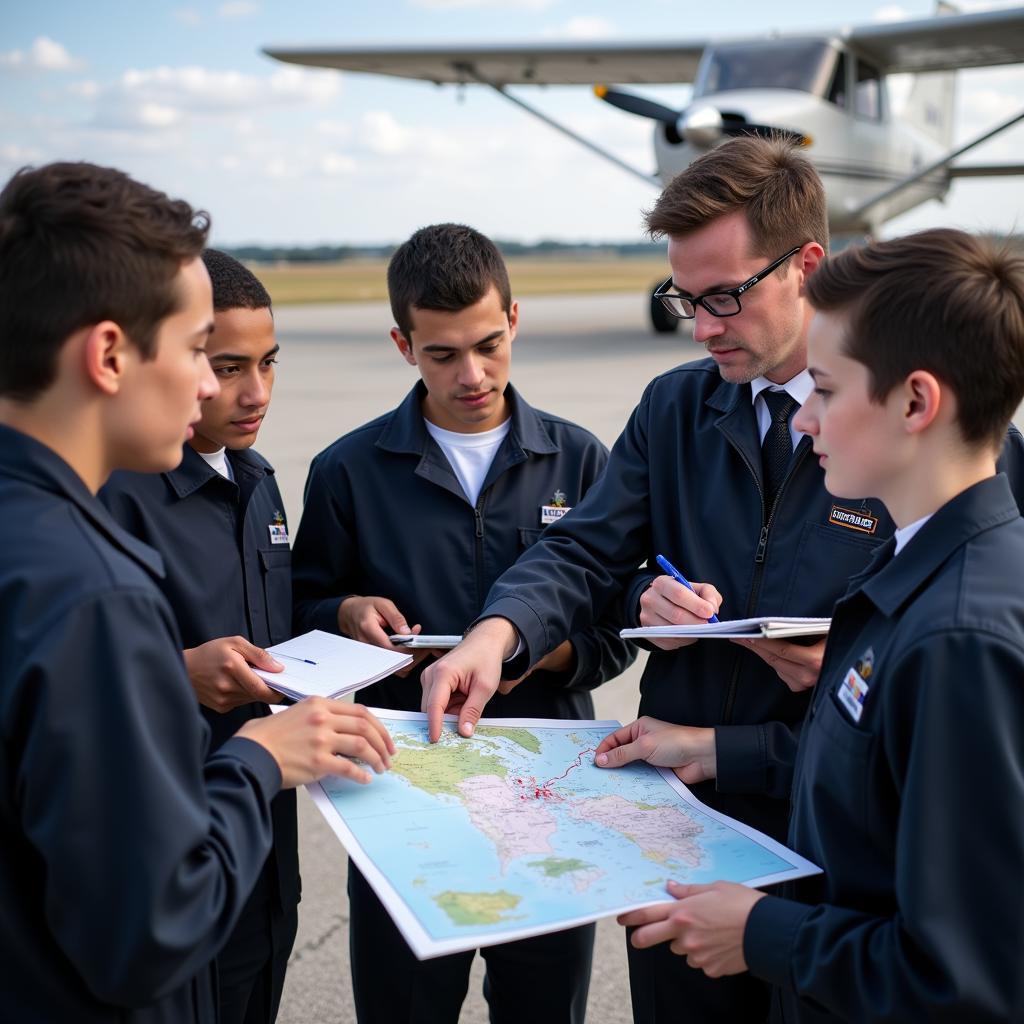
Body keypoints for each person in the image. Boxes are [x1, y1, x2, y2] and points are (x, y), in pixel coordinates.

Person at [418, 138, 1024, 1022]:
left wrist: (858, 661)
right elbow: (587, 553)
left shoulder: (951, 456)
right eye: (683, 299)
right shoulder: (676, 406)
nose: (701, 326)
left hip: (830, 850)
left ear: (806, 266)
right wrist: (502, 630)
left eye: (723, 297)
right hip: (684, 825)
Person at [0, 161, 394, 1024]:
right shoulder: (90, 588)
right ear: (108, 354)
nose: (216, 388)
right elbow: (150, 926)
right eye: (194, 353)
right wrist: (258, 760)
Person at [611, 228, 1024, 1022]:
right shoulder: (918, 581)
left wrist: (763, 932)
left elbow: (966, 978)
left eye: (827, 391)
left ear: (916, 402)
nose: (803, 422)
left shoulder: (958, 640)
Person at [291, 222, 636, 1024]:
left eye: (488, 344)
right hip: (400, 792)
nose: (472, 374)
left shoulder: (582, 460)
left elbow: (619, 627)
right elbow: (298, 615)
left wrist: (546, 658)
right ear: (402, 344)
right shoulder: (347, 469)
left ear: (514, 319)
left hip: (546, 790)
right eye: (442, 353)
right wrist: (341, 613)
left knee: (545, 1006)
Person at [101, 249, 298, 1024]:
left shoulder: (257, 478)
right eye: (226, 366)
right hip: (175, 848)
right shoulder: (114, 495)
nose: (256, 394)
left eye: (270, 363)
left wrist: (345, 612)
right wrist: (176, 673)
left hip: (267, 839)